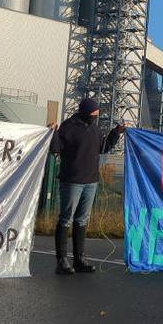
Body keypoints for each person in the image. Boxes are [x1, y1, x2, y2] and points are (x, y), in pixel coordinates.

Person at [49, 98, 125, 275]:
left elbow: (103, 147)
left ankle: (79, 258)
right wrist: (52, 132)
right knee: (66, 219)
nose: (95, 117)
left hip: (90, 180)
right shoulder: (69, 127)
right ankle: (61, 260)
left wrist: (116, 132)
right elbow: (56, 148)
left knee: (82, 220)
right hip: (72, 180)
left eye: (97, 115)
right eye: (93, 114)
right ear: (85, 112)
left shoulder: (95, 129)